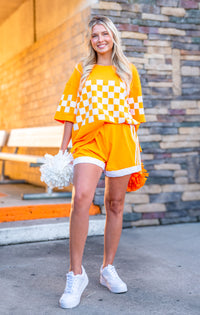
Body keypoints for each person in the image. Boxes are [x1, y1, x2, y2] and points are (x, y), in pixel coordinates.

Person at [54, 15, 146, 309]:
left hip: (121, 141)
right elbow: (68, 110)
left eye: (104, 34)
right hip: (88, 141)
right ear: (90, 41)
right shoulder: (83, 69)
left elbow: (135, 117)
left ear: (113, 37)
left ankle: (107, 268)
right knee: (81, 197)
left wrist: (135, 153)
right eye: (95, 35)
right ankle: (75, 273)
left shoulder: (128, 70)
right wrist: (62, 150)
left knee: (115, 205)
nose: (100, 39)